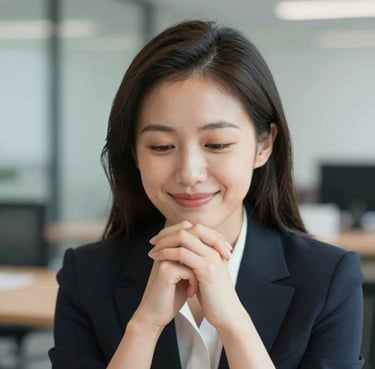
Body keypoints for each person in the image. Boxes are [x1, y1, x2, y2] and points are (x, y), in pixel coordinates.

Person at [49, 20, 364, 369]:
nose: (189, 173)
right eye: (162, 146)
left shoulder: (327, 278)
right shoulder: (87, 275)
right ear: (134, 152)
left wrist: (233, 322)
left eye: (217, 144)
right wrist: (143, 327)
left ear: (264, 144)